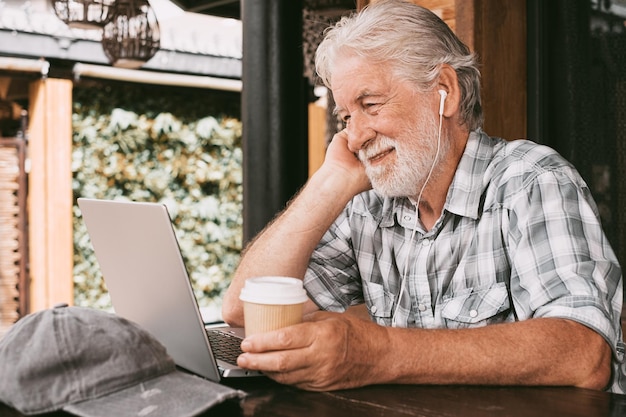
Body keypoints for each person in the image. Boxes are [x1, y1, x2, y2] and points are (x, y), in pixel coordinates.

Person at [222, 0, 625, 392]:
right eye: (345, 117)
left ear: (444, 90)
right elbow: (243, 312)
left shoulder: (530, 180)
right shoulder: (368, 205)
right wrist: (330, 180)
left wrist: (378, 353)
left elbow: (584, 354)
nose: (355, 135)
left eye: (371, 104)